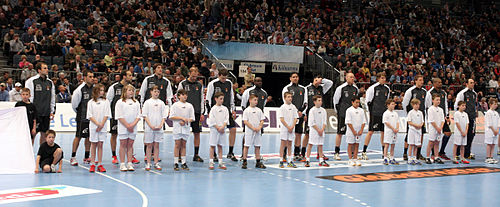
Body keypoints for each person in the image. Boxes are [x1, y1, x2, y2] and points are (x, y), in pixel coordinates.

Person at [206, 69, 238, 161]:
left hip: (226, 110)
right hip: (216, 111)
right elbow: (208, 99)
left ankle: (230, 152)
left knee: (233, 129)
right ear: (218, 75)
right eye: (222, 78)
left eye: (225, 78)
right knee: (216, 131)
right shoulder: (212, 84)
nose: (224, 80)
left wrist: (233, 109)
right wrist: (209, 111)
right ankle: (215, 154)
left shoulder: (229, 83)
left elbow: (232, 97)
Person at [178, 67, 205, 162]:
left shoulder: (199, 85)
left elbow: (202, 99)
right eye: (192, 75)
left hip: (196, 112)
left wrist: (202, 112)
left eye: (196, 75)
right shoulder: (183, 84)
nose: (194, 77)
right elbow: (178, 98)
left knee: (197, 133)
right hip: (184, 113)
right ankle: (180, 155)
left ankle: (196, 155)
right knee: (182, 133)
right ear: (189, 73)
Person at [106, 70, 134, 164]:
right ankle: (114, 155)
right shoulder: (114, 87)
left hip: (128, 117)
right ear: (124, 76)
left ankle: (131, 156)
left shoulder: (131, 88)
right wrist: (110, 114)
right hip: (116, 116)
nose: (131, 77)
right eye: (130, 75)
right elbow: (108, 101)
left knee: (129, 137)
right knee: (114, 134)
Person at [302, 74, 333, 160]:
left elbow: (330, 83)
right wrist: (304, 114)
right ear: (314, 79)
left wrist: (322, 80)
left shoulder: (321, 87)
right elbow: (305, 102)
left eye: (320, 79)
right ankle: (303, 153)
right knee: (307, 134)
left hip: (319, 114)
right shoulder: (307, 88)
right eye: (317, 79)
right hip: (310, 113)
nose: (318, 81)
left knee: (320, 135)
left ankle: (320, 154)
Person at [25, 62, 56, 145]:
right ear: (39, 70)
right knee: (32, 134)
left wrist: (52, 111)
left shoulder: (50, 82)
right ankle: (29, 155)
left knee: (44, 135)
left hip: (46, 113)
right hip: (35, 114)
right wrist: (31, 112)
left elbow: (52, 98)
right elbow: (29, 98)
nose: (47, 70)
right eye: (44, 68)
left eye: (47, 68)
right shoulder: (31, 81)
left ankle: (41, 155)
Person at [362, 72, 390, 160]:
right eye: (381, 78)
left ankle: (384, 153)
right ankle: (364, 152)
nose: (383, 79)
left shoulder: (387, 89)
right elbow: (368, 101)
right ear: (378, 79)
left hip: (384, 114)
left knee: (383, 133)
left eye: (384, 78)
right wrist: (370, 113)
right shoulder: (372, 88)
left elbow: (387, 101)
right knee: (370, 132)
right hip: (374, 113)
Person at [69, 70, 94, 166]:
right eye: (90, 76)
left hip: (91, 118)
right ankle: (73, 157)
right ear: (85, 78)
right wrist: (80, 113)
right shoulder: (79, 90)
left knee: (89, 137)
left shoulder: (94, 89)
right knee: (78, 137)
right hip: (81, 117)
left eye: (93, 77)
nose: (92, 79)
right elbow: (74, 105)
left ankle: (87, 156)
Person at [332, 72, 359, 160]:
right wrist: (339, 112)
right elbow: (336, 101)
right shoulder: (341, 88)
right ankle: (336, 152)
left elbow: (356, 101)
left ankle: (352, 153)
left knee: (353, 133)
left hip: (353, 116)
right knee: (340, 133)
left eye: (353, 77)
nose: (352, 78)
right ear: (346, 78)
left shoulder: (355, 88)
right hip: (343, 114)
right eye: (350, 77)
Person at [281, 72, 307, 161]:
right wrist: (294, 111)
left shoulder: (303, 89)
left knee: (298, 134)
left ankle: (296, 153)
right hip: (289, 115)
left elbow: (305, 102)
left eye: (296, 77)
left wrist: (301, 112)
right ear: (290, 78)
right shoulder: (286, 88)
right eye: (293, 77)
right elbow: (285, 101)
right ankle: (284, 154)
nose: (295, 78)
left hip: (300, 114)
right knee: (287, 134)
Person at [240, 77, 268, 158]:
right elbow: (243, 104)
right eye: (257, 81)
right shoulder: (248, 91)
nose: (259, 82)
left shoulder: (264, 93)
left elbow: (263, 105)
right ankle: (243, 155)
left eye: (260, 81)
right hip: (249, 119)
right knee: (246, 137)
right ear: (254, 82)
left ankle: (257, 156)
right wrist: (248, 115)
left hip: (259, 119)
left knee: (258, 137)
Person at [116, 84, 141, 172]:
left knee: (130, 145)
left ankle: (129, 163)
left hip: (133, 127)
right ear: (125, 91)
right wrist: (127, 125)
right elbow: (119, 116)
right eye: (129, 90)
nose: (131, 92)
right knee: (123, 144)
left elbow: (138, 115)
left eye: (132, 90)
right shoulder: (120, 102)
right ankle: (122, 163)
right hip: (123, 127)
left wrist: (132, 125)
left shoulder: (136, 102)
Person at [425, 78, 452, 160]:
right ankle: (432, 155)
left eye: (441, 82)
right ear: (434, 83)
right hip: (433, 118)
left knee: (447, 133)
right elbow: (427, 105)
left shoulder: (443, 93)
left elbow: (446, 105)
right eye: (439, 82)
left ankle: (441, 152)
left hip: (442, 118)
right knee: (432, 139)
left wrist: (447, 116)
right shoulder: (429, 93)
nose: (440, 84)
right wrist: (429, 118)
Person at [142, 86, 168, 171]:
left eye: (157, 91)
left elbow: (164, 115)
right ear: (151, 92)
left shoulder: (161, 103)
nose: (156, 93)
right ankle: (148, 163)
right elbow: (145, 115)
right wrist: (150, 125)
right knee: (149, 145)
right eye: (154, 91)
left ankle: (156, 162)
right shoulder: (147, 102)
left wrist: (161, 125)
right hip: (149, 128)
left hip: (159, 128)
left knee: (157, 145)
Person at [86, 84, 111, 173]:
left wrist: (101, 124)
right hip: (93, 126)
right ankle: (92, 163)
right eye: (100, 90)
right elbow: (89, 115)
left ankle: (100, 163)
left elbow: (107, 114)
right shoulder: (91, 102)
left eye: (103, 90)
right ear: (96, 91)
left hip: (103, 126)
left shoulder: (106, 101)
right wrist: (97, 124)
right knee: (93, 144)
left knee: (100, 144)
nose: (102, 92)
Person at [402, 75, 427, 161]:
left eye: (422, 80)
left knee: (421, 134)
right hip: (412, 117)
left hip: (421, 116)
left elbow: (427, 104)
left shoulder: (425, 91)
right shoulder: (410, 91)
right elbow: (404, 104)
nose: (422, 82)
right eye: (420, 80)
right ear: (415, 81)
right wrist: (409, 114)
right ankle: (405, 153)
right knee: (408, 135)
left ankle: (418, 153)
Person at [169, 89, 195, 171]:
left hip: (186, 128)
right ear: (179, 96)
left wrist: (186, 120)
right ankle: (176, 162)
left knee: (184, 144)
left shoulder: (190, 106)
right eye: (183, 95)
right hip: (177, 128)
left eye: (186, 95)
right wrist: (181, 118)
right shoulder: (175, 105)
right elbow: (171, 116)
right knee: (177, 144)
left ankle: (183, 162)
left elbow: (192, 118)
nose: (185, 96)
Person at [454, 79, 478, 160]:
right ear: (466, 84)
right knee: (462, 135)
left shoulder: (475, 94)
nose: (472, 84)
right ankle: (457, 154)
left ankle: (467, 153)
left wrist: (476, 112)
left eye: (473, 83)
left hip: (472, 117)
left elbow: (475, 104)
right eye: (471, 83)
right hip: (463, 118)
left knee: (471, 135)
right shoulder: (462, 93)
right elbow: (457, 104)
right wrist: (458, 114)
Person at [241, 94, 266, 169]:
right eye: (254, 100)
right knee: (246, 145)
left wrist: (259, 127)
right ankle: (244, 161)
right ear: (250, 100)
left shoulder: (259, 110)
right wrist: (252, 128)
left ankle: (258, 161)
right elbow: (245, 121)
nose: (256, 102)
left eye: (257, 100)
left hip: (257, 131)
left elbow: (262, 120)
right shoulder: (246, 110)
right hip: (249, 131)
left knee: (257, 146)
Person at [305, 95, 329, 167]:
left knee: (320, 145)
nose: (320, 102)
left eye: (321, 100)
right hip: (314, 131)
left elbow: (325, 121)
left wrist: (322, 129)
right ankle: (307, 160)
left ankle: (321, 160)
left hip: (321, 130)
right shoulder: (312, 110)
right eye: (319, 100)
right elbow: (312, 122)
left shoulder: (323, 110)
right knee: (310, 144)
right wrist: (318, 130)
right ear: (314, 102)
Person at [207, 92, 229, 170]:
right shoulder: (213, 109)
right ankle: (211, 162)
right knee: (212, 145)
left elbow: (226, 119)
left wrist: (222, 127)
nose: (222, 100)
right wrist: (217, 127)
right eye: (220, 99)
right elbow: (212, 119)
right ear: (216, 99)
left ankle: (220, 162)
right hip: (214, 130)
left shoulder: (225, 109)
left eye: (222, 99)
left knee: (220, 146)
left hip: (222, 130)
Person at [279, 92, 298, 168]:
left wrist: (292, 126)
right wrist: (288, 127)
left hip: (291, 128)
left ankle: (290, 161)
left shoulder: (293, 107)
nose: (290, 98)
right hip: (284, 128)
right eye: (288, 97)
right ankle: (281, 160)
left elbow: (295, 118)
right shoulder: (282, 107)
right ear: (285, 98)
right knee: (283, 144)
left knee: (290, 143)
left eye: (291, 97)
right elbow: (282, 119)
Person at [345, 96, 366, 166]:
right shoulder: (349, 110)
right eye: (356, 102)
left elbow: (364, 121)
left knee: (357, 145)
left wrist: (361, 130)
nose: (357, 104)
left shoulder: (361, 110)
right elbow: (348, 122)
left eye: (358, 103)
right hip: (351, 131)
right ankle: (350, 159)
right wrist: (353, 131)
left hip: (359, 130)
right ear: (352, 102)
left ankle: (355, 158)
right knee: (350, 144)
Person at [426, 94, 445, 164]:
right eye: (437, 100)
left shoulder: (441, 110)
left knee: (437, 142)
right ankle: (427, 157)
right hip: (433, 129)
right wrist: (437, 128)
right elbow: (431, 120)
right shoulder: (430, 109)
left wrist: (440, 128)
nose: (438, 101)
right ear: (433, 100)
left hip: (439, 129)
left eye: (439, 100)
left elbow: (443, 120)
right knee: (431, 142)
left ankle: (436, 157)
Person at [406, 99, 424, 165]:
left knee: (416, 145)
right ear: (413, 105)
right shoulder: (410, 112)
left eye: (418, 104)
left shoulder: (420, 113)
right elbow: (409, 122)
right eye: (416, 104)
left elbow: (422, 121)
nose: (417, 106)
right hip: (412, 130)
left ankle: (415, 158)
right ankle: (409, 158)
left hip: (418, 131)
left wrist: (420, 125)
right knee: (411, 144)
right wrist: (416, 125)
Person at [383, 99, 400, 165]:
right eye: (392, 104)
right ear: (388, 105)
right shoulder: (386, 113)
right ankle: (385, 158)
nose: (393, 106)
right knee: (387, 145)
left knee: (393, 145)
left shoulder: (395, 113)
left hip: (394, 132)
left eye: (394, 104)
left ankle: (392, 158)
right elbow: (386, 122)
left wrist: (397, 128)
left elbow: (397, 122)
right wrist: (393, 128)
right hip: (388, 131)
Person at [484, 98, 499, 164]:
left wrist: (497, 130)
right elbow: (489, 123)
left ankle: (491, 156)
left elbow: (499, 123)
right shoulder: (488, 113)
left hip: (496, 131)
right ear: (490, 104)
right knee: (489, 144)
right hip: (490, 131)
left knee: (493, 144)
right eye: (494, 104)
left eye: (496, 104)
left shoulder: (496, 113)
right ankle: (488, 157)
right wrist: (494, 130)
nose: (496, 105)